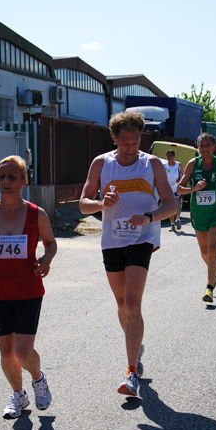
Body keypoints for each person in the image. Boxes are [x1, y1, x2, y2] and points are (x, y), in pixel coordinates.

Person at [79, 111, 177, 397]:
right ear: (114, 139)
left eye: (135, 143)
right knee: (122, 306)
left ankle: (131, 371)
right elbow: (83, 204)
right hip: (112, 241)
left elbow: (171, 205)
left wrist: (149, 217)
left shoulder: (152, 164)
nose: (131, 149)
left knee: (133, 305)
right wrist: (100, 203)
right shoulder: (101, 163)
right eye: (125, 144)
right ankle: (135, 345)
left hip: (142, 238)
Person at [0, 155, 57, 419]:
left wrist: (47, 258)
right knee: (7, 352)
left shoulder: (35, 213)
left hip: (28, 289)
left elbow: (50, 243)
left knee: (22, 351)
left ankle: (38, 379)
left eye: (12, 177)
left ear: (23, 181)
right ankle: (18, 396)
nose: (6, 182)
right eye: (1, 177)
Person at [177, 133, 216, 303]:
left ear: (214, 146)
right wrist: (195, 188)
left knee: (213, 249)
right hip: (198, 213)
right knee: (204, 252)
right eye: (201, 145)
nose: (205, 148)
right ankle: (214, 270)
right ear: (198, 147)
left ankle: (209, 288)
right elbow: (179, 189)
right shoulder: (192, 164)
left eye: (208, 145)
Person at [164, 150, 185, 230]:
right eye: (167, 156)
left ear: (173, 156)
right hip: (168, 189)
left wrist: (180, 180)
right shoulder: (165, 166)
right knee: (170, 207)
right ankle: (172, 224)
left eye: (170, 156)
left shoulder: (178, 165)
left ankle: (178, 219)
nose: (169, 157)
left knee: (175, 206)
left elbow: (184, 175)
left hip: (176, 189)